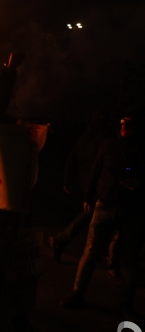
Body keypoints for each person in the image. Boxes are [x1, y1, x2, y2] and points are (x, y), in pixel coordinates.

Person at [61, 114, 144, 317]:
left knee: (129, 260)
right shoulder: (109, 144)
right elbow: (97, 169)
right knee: (90, 252)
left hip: (131, 209)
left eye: (129, 125)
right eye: (123, 124)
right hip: (105, 204)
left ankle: (126, 305)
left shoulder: (141, 148)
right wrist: (88, 196)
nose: (125, 128)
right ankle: (77, 294)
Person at [50, 107, 116, 264]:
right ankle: (62, 239)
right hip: (97, 183)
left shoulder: (86, 137)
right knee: (95, 214)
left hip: (87, 182)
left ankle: (98, 249)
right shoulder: (104, 139)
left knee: (94, 215)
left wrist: (68, 179)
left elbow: (71, 158)